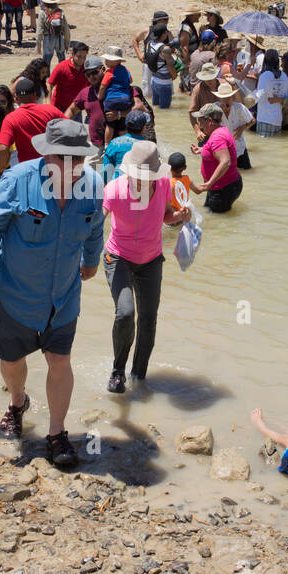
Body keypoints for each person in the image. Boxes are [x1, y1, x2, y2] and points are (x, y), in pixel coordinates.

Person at [0, 118, 106, 468]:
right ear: (48, 157)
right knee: (12, 360)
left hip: (63, 296)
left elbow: (94, 226)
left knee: (59, 360)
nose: (73, 168)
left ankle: (57, 433)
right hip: (17, 294)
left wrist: (91, 260)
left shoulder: (92, 185)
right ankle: (17, 402)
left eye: (79, 160)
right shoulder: (17, 180)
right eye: (65, 159)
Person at [101, 141, 191, 393]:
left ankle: (139, 375)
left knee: (149, 320)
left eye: (147, 176)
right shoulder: (114, 189)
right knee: (126, 313)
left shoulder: (162, 184)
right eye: (137, 175)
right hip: (118, 257)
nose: (141, 180)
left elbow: (166, 217)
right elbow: (96, 221)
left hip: (151, 260)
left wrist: (181, 216)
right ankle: (117, 371)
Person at [0, 76, 65, 172]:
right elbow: (73, 131)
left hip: (28, 171)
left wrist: (0, 168)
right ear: (35, 96)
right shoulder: (51, 110)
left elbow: (3, 149)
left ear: (16, 97)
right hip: (53, 168)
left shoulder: (11, 118)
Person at [190, 103, 242, 213]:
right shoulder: (220, 130)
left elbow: (225, 161)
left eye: (200, 120)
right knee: (209, 214)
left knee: (219, 224)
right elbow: (216, 150)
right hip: (221, 185)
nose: (199, 125)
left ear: (209, 120)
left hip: (223, 188)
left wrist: (209, 183)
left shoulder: (217, 137)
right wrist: (202, 150)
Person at [47, 41, 90, 116]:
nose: (81, 60)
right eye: (79, 56)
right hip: (58, 109)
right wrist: (48, 105)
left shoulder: (87, 70)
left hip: (76, 109)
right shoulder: (62, 67)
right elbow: (49, 84)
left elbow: (90, 88)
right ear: (72, 54)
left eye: (84, 57)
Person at [253, 49, 288, 138]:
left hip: (265, 119)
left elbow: (260, 97)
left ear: (265, 61)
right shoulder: (284, 76)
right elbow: (284, 97)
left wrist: (254, 92)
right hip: (277, 119)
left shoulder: (265, 76)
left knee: (264, 146)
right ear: (277, 61)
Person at [36, 0, 69, 69]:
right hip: (59, 38)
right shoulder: (61, 12)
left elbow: (39, 31)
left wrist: (38, 45)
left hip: (48, 38)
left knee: (46, 62)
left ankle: (46, 78)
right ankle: (62, 77)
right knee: (62, 60)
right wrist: (67, 43)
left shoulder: (42, 13)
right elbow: (66, 29)